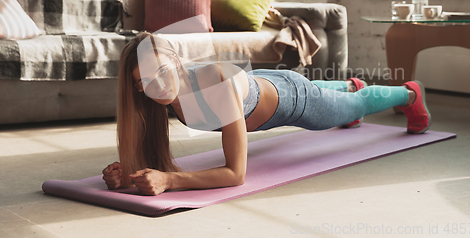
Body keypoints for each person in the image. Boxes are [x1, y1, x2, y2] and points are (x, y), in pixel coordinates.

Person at [102, 32, 431, 195]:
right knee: (323, 92)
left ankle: (409, 93)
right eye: (145, 81)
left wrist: (171, 180)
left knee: (356, 106)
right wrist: (126, 173)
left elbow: (235, 174)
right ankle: (345, 86)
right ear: (137, 89)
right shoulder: (158, 96)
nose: (158, 85)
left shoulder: (215, 84)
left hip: (293, 101)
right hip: (264, 85)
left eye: (161, 71)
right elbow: (148, 152)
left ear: (175, 61)